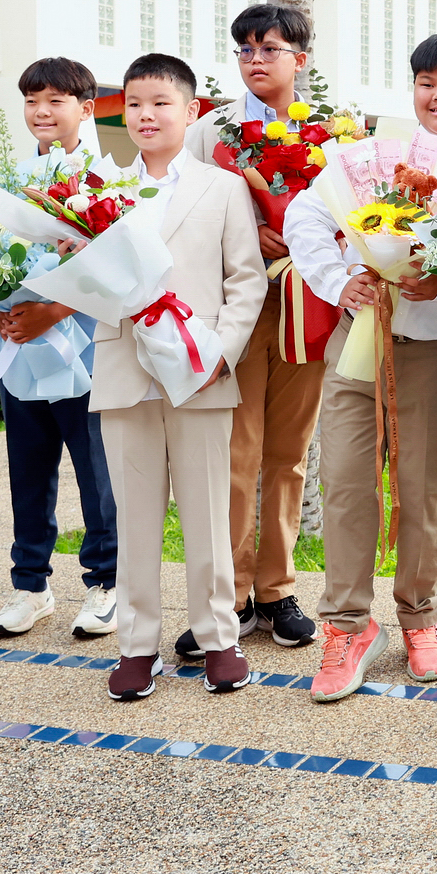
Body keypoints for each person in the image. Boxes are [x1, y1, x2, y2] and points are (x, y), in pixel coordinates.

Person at [286, 31, 437, 701]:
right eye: (427, 82)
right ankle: (346, 626)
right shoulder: (368, 160)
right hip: (358, 340)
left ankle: (420, 617)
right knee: (346, 481)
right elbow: (306, 215)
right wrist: (339, 277)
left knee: (425, 488)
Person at [98, 54, 268, 700]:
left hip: (201, 373)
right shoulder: (100, 188)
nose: (146, 114)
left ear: (191, 111)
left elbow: (246, 280)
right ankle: (136, 645)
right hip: (124, 367)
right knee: (135, 516)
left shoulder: (223, 188)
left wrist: (219, 353)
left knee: (207, 512)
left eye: (160, 102)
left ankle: (219, 637)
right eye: (135, 103)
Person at [181, 3, 324, 656]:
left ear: (301, 57)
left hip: (304, 306)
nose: (256, 58)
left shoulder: (330, 134)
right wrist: (246, 234)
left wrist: (297, 233)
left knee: (288, 454)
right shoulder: (212, 132)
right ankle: (231, 595)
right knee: (236, 455)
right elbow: (183, 211)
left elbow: (348, 220)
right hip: (234, 308)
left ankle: (277, 589)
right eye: (244, 48)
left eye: (269, 47)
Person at [0, 58, 118, 641]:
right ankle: (30, 588)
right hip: (21, 350)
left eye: (55, 101)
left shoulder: (107, 177)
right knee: (29, 472)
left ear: (86, 107)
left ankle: (108, 585)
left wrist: (56, 309)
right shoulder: (10, 179)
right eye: (32, 100)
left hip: (86, 350)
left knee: (98, 476)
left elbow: (117, 267)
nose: (42, 112)